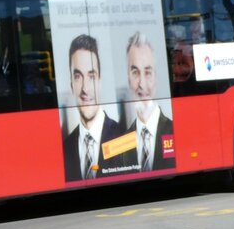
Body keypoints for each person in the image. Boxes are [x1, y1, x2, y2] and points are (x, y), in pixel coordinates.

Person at [61, 34, 126, 181]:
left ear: (100, 82)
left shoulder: (124, 136)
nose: (85, 89)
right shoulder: (65, 147)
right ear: (71, 84)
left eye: (91, 76)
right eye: (78, 76)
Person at [125, 31, 174, 172]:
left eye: (147, 72)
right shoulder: (122, 141)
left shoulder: (174, 130)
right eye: (135, 72)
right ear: (128, 78)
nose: (142, 84)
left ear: (157, 76)